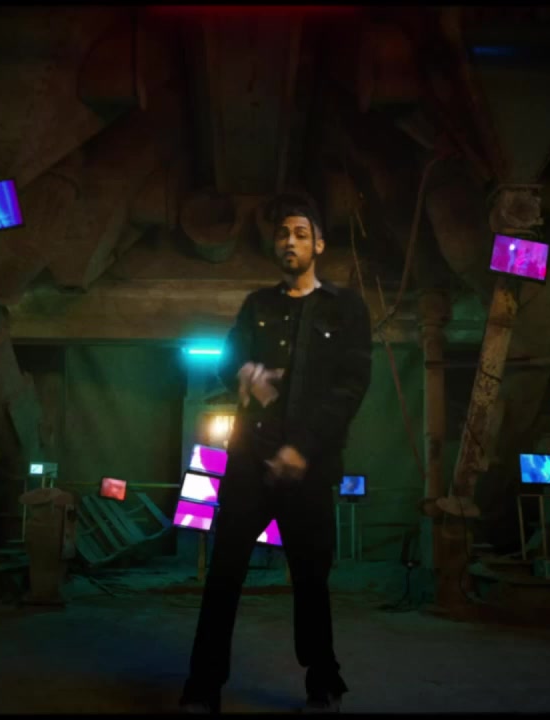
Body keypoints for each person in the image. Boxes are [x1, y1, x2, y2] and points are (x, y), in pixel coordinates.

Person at [180, 195, 373, 714]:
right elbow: (227, 359)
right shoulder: (256, 306)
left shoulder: (345, 308)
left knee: (311, 580)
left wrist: (302, 448)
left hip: (308, 467)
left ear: (319, 245)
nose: (290, 241)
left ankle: (323, 680)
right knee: (224, 576)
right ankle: (203, 685)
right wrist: (244, 371)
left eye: (302, 234)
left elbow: (351, 387)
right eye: (284, 233)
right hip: (249, 464)